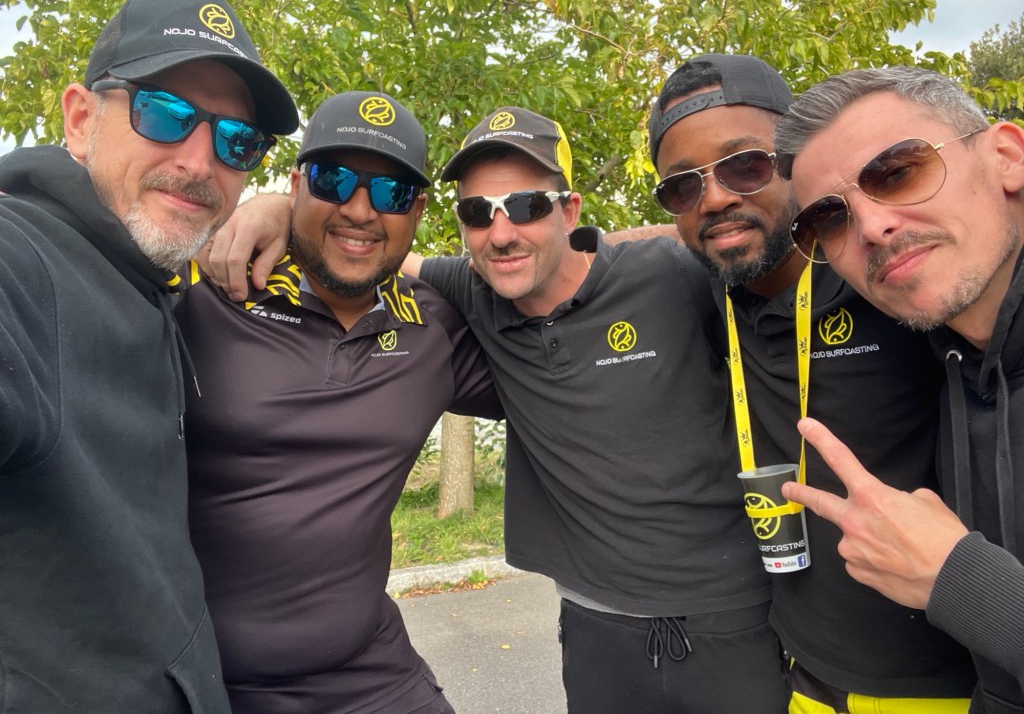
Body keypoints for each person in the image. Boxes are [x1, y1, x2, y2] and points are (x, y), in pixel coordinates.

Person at [206, 107, 789, 712]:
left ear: (569, 211)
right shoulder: (467, 294)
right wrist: (278, 209)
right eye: (477, 213)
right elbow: (367, 249)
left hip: (734, 617)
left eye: (528, 206)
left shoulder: (674, 274)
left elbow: (759, 256)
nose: (502, 232)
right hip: (594, 627)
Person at [643, 54, 976, 713]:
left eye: (745, 165)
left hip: (942, 684)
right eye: (682, 187)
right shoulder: (710, 287)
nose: (715, 199)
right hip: (801, 676)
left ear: (796, 163)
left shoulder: (889, 275)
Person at [0, 0, 297, 712]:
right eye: (163, 113)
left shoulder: (149, 276)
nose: (199, 162)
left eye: (237, 143)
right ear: (81, 120)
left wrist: (286, 207)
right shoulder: (26, 263)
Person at [175, 91, 501, 714]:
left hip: (372, 678)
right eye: (334, 180)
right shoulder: (206, 286)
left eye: (392, 193)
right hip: (204, 685)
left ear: (418, 211)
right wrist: (259, 209)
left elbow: (557, 325)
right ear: (297, 183)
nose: (360, 210)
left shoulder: (434, 327)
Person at [773, 66, 1024, 712]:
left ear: (1007, 156)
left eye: (897, 172)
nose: (871, 226)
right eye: (829, 218)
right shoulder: (955, 359)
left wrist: (958, 578)